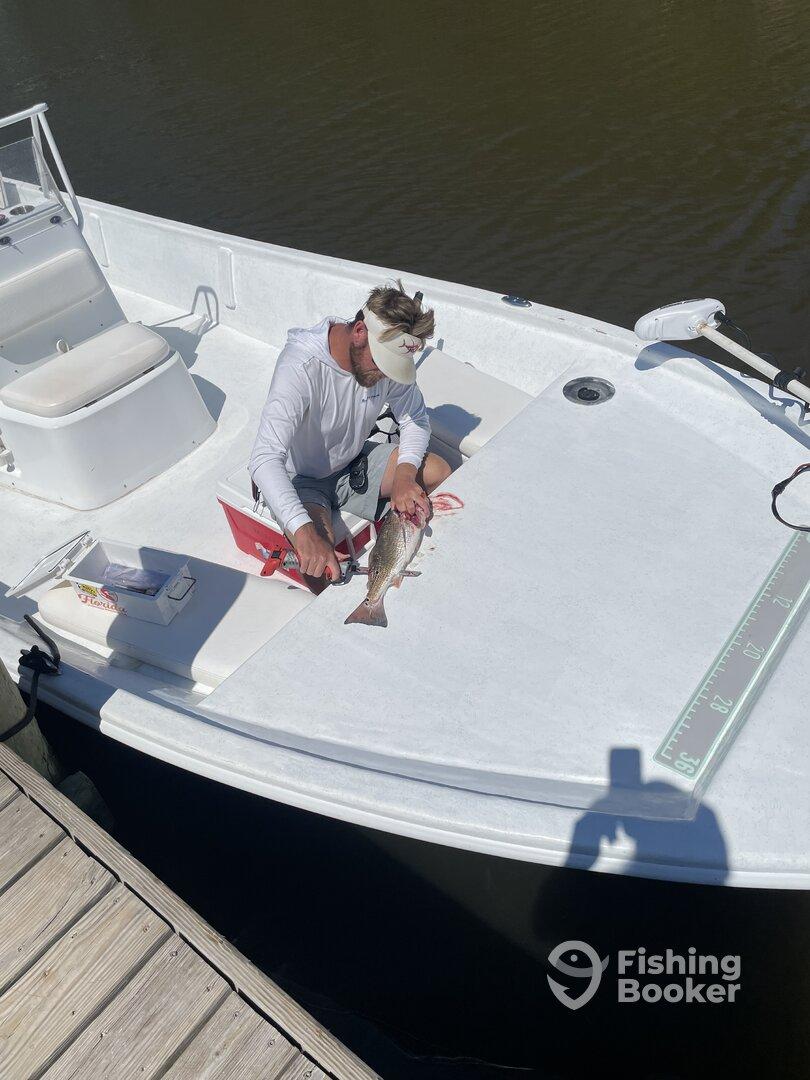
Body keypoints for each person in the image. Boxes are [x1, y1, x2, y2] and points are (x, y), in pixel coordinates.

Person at [249, 282, 452, 593]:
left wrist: (404, 475)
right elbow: (264, 459)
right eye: (382, 365)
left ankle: (389, 545)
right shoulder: (301, 365)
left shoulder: (382, 357)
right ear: (359, 331)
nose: (386, 376)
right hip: (303, 479)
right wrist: (305, 535)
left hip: (353, 462)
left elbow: (415, 419)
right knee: (321, 566)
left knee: (438, 470)